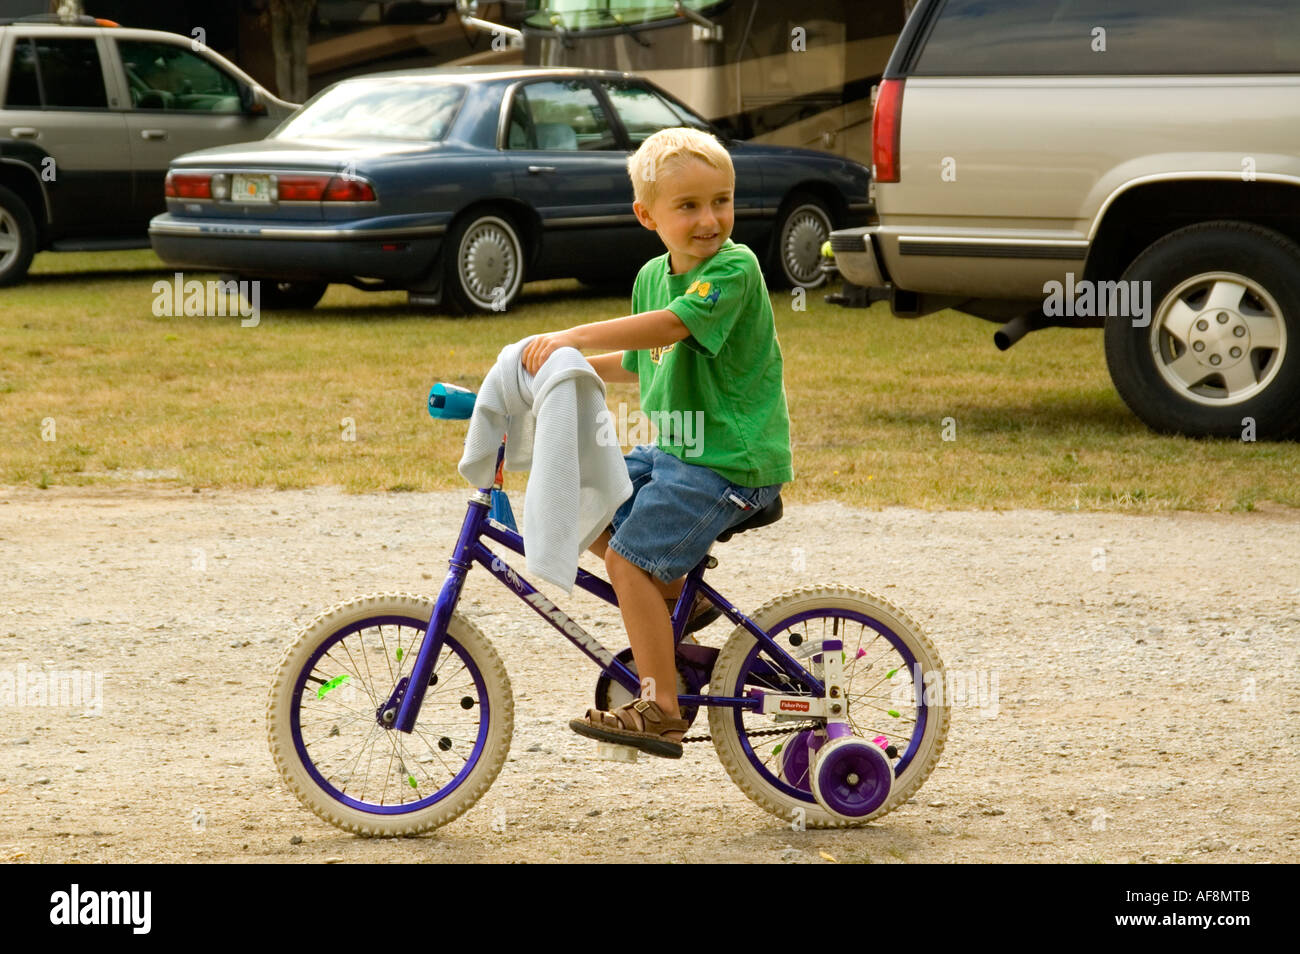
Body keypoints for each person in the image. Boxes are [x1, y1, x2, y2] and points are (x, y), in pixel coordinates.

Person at [521, 126, 794, 758]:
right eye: (689, 206)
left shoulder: (734, 268)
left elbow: (674, 325)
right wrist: (562, 371)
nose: (709, 219)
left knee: (627, 561)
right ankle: (676, 600)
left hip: (728, 463)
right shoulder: (651, 276)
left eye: (720, 201)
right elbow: (647, 358)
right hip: (678, 454)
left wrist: (570, 337)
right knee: (584, 498)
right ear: (648, 215)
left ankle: (662, 708)